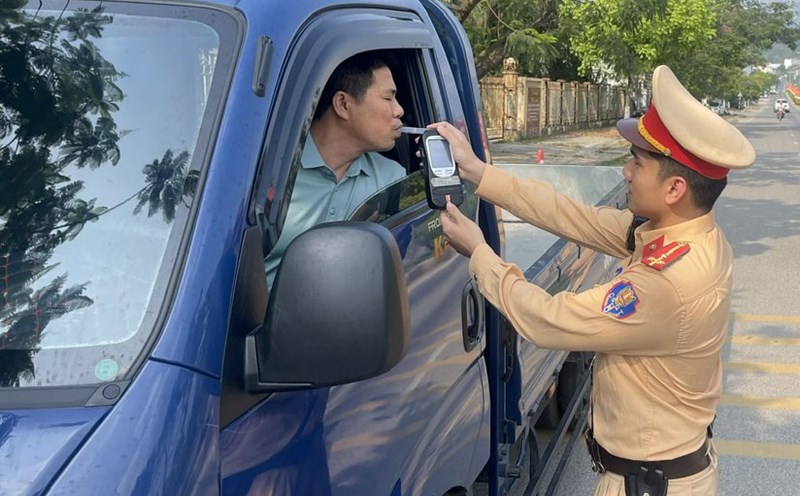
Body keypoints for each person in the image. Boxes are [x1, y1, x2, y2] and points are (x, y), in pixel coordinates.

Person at [431, 65, 755, 496]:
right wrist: (478, 172)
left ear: (675, 188)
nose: (625, 171)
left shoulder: (666, 282)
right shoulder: (689, 234)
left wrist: (480, 255)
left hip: (646, 486)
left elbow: (549, 319)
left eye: (636, 163)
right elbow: (574, 217)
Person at [265, 51, 406, 287]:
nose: (399, 110)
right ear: (343, 104)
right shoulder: (273, 172)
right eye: (388, 98)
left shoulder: (391, 179)